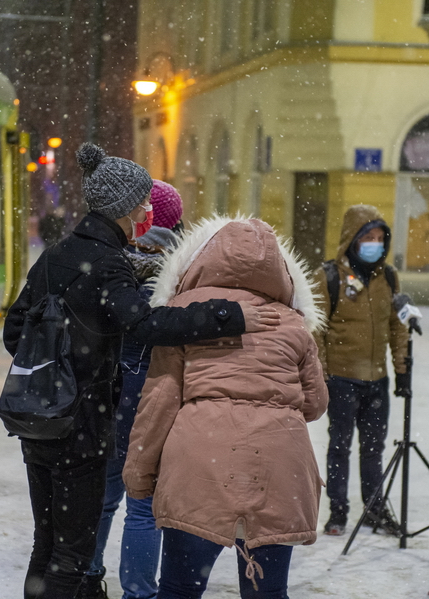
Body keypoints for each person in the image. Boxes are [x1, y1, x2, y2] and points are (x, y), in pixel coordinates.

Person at [3, 143, 281, 599]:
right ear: (124, 209)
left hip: (39, 420)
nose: (148, 212)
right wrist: (225, 315)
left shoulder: (56, 254)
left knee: (47, 542)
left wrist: (62, 349)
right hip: (81, 422)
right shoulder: (109, 263)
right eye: (143, 205)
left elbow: (15, 332)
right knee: (72, 554)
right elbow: (147, 324)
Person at [122, 217, 328, 599]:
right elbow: (315, 404)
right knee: (265, 593)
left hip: (199, 468)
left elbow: (159, 404)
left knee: (180, 589)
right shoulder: (294, 323)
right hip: (278, 470)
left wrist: (138, 473)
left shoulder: (183, 315)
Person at [81, 179, 185, 599]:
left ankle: (88, 577)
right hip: (152, 403)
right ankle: (139, 592)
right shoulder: (179, 276)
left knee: (103, 497)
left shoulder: (105, 264)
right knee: (143, 505)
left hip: (106, 400)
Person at [313, 204, 408, 537]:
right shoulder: (329, 277)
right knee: (339, 446)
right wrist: (322, 374)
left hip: (376, 381)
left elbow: (399, 327)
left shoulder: (389, 277)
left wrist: (402, 370)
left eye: (381, 237)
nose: (376, 243)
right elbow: (317, 331)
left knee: (374, 448)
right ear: (353, 239)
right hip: (341, 379)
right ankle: (338, 512)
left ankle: (374, 509)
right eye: (369, 236)